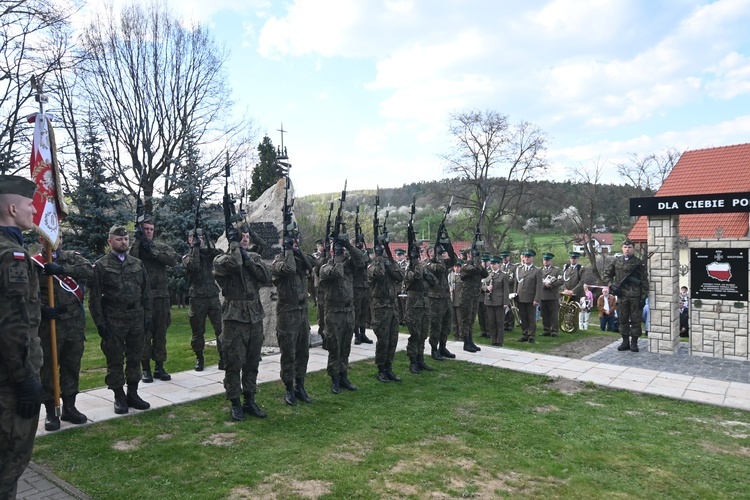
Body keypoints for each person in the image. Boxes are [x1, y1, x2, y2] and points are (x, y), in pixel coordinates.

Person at [0, 175, 43, 498]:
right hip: (10, 382)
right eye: (30, 204)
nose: (34, 210)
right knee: (9, 465)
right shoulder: (10, 256)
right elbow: (13, 325)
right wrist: (26, 378)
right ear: (12, 208)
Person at [89, 225, 152, 415]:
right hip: (114, 318)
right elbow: (94, 298)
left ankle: (133, 393)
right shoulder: (101, 265)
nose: (123, 242)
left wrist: (148, 316)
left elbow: (146, 292)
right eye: (119, 239)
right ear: (110, 242)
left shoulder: (137, 264)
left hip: (136, 318)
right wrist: (100, 323)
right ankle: (118, 396)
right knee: (115, 359)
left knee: (135, 358)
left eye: (125, 239)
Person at [34, 235, 94, 431]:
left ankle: (69, 407)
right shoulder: (34, 262)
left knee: (71, 364)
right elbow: (26, 291)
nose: (54, 240)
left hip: (73, 324)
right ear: (41, 239)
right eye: (49, 237)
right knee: (49, 368)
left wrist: (61, 270)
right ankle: (51, 411)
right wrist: (41, 308)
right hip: (50, 324)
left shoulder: (72, 257)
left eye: (57, 236)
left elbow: (89, 271)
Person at [213, 226, 271, 421]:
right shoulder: (221, 259)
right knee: (233, 363)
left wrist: (248, 258)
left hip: (254, 317)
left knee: (252, 362)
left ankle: (250, 399)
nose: (246, 239)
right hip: (234, 319)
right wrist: (235, 247)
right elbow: (235, 264)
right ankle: (235, 402)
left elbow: (265, 277)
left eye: (247, 236)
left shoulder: (253, 258)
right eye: (241, 236)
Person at [129, 218, 178, 383]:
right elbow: (130, 260)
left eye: (151, 229)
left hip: (162, 298)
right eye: (146, 229)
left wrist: (152, 251)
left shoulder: (161, 247)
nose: (149, 231)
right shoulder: (136, 248)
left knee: (160, 333)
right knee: (145, 334)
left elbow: (172, 260)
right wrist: (138, 242)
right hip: (144, 298)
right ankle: (146, 369)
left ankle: (159, 366)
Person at [271, 230, 315, 405]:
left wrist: (298, 251)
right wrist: (288, 251)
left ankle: (300, 385)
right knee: (289, 352)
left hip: (302, 312)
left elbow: (314, 264)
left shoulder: (301, 260)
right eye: (289, 241)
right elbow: (288, 269)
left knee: (303, 351)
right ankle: (289, 387)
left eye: (296, 241)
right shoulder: (278, 261)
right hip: (287, 313)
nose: (294, 243)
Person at [321, 237, 363, 391]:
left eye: (342, 250)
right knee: (335, 346)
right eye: (338, 250)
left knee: (346, 345)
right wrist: (337, 256)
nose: (342, 253)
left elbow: (361, 259)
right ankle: (335, 379)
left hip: (348, 311)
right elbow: (337, 273)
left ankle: (343, 375)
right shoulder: (326, 267)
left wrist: (348, 246)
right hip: (334, 312)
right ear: (332, 251)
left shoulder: (349, 266)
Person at [183, 230, 224, 371]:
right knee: (198, 330)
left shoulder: (208, 254)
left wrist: (208, 239)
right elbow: (193, 266)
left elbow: (218, 253)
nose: (198, 240)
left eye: (200, 237)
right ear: (189, 240)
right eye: (195, 238)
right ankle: (199, 357)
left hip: (212, 295)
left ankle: (223, 357)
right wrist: (195, 248)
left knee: (220, 328)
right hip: (197, 298)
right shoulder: (187, 256)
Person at [368, 241, 404, 383]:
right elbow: (378, 273)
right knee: (383, 339)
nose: (382, 253)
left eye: (383, 251)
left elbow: (400, 276)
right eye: (380, 251)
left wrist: (389, 259)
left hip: (392, 306)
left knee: (392, 338)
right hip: (380, 307)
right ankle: (381, 369)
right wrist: (378, 259)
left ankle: (389, 367)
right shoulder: (372, 266)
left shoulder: (388, 264)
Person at [604, 238, 649, 352]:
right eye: (625, 247)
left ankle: (634, 343)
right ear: (622, 248)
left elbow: (644, 281)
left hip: (635, 296)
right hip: (622, 295)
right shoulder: (616, 261)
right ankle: (625, 342)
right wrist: (612, 286)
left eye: (629, 247)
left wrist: (643, 297)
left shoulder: (638, 262)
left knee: (635, 320)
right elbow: (607, 275)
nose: (627, 249)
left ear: (633, 248)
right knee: (622, 319)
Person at [403, 245, 437, 374]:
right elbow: (416, 276)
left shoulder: (423, 270)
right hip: (414, 306)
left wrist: (425, 272)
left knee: (423, 334)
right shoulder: (409, 271)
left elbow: (434, 281)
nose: (420, 258)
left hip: (425, 305)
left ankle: (420, 359)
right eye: (417, 256)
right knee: (415, 334)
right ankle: (413, 361)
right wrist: (416, 263)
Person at [426, 243, 457, 360]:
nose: (439, 254)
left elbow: (453, 260)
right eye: (435, 252)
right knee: (436, 325)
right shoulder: (428, 264)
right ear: (430, 253)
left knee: (446, 324)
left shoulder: (442, 262)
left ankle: (443, 346)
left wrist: (448, 246)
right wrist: (439, 256)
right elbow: (440, 268)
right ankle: (434, 349)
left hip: (445, 298)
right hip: (434, 299)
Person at [459, 249, 488, 352]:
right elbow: (476, 270)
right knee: (466, 320)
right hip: (467, 296)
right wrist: (476, 260)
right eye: (472, 254)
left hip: (475, 295)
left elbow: (485, 273)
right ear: (468, 255)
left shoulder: (476, 265)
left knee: (471, 319)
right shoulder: (465, 266)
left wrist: (478, 259)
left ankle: (470, 341)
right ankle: (466, 342)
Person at [511, 249, 542, 343]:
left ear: (532, 258)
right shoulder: (519, 269)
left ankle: (531, 335)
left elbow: (539, 287)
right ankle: (524, 334)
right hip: (520, 297)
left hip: (530, 298)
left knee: (531, 318)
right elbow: (516, 284)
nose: (527, 258)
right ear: (523, 258)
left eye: (529, 257)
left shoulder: (537, 271)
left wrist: (536, 299)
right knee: (522, 317)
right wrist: (514, 295)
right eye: (525, 257)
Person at [351, 236, 373, 345]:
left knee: (364, 311)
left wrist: (364, 251)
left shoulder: (364, 254)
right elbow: (358, 265)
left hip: (365, 286)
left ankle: (363, 333)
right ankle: (356, 335)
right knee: (356, 311)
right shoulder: (351, 256)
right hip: (356, 287)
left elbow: (369, 262)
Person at [483, 256, 509, 346]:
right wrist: (486, 288)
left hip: (499, 301)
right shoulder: (488, 274)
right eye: (491, 264)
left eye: (494, 264)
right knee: (491, 321)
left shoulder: (503, 275)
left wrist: (506, 302)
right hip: (489, 301)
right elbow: (482, 284)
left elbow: (506, 289)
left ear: (499, 264)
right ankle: (493, 339)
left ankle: (499, 340)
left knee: (499, 322)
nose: (492, 265)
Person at [539, 253, 563, 337]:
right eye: (544, 260)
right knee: (544, 314)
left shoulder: (556, 270)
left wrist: (551, 284)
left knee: (553, 314)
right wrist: (543, 284)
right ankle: (546, 329)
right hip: (543, 295)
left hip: (552, 295)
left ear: (551, 261)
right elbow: (536, 282)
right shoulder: (539, 270)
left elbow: (561, 281)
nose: (546, 261)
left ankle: (554, 330)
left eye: (547, 260)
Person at [500, 251, 518, 332]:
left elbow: (514, 279)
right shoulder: (500, 267)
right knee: (503, 308)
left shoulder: (513, 267)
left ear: (508, 257)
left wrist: (504, 281)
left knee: (510, 308)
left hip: (510, 290)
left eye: (505, 257)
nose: (504, 259)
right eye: (503, 258)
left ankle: (510, 325)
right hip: (501, 291)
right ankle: (504, 323)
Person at [477, 253, 491, 337]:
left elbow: (488, 281)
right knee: (480, 314)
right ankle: (483, 330)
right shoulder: (479, 271)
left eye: (486, 261)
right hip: (479, 295)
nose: (484, 263)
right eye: (482, 261)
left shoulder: (490, 272)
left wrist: (484, 287)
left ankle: (488, 330)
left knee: (487, 314)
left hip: (486, 295)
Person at [449, 260, 463, 340]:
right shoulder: (451, 275)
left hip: (459, 300)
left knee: (460, 319)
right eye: (455, 267)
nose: (456, 268)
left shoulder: (462, 276)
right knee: (454, 319)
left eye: (458, 267)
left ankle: (461, 335)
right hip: (452, 299)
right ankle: (455, 334)